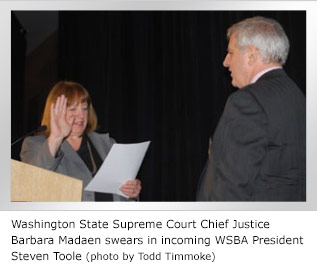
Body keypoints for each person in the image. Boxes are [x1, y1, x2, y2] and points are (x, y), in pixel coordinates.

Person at [196, 16, 306, 201]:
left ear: (251, 55)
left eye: (231, 53)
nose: (225, 62)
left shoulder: (247, 101)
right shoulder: (298, 96)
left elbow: (230, 189)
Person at [20, 81, 142, 201]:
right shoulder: (36, 144)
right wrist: (55, 138)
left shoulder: (108, 144)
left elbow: (123, 193)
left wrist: (131, 192)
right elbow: (31, 184)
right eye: (73, 109)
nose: (81, 115)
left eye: (84, 108)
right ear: (56, 112)